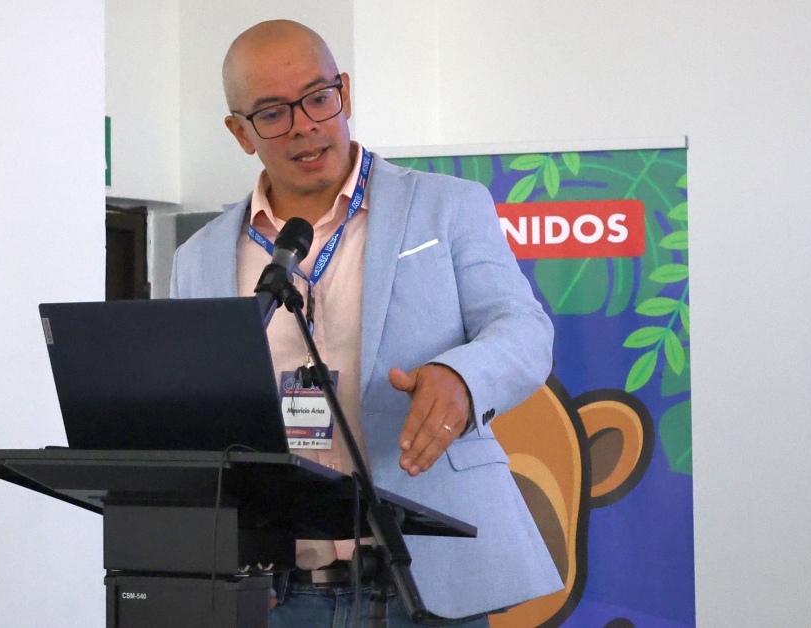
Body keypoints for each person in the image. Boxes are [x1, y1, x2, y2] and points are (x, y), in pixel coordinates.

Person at [170, 19, 562, 627]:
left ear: (345, 93)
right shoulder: (197, 259)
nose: (304, 125)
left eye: (317, 98)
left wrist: (462, 378)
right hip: (272, 590)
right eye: (272, 113)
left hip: (421, 580)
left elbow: (524, 330)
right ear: (240, 132)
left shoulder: (447, 206)